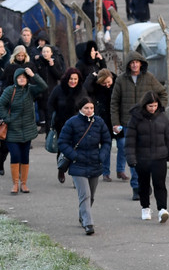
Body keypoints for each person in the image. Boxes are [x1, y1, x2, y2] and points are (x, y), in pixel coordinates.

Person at [110, 50, 167, 200]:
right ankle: (137, 186)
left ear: (141, 63)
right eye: (132, 63)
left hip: (147, 122)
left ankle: (144, 183)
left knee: (144, 155)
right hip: (128, 123)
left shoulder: (149, 78)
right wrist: (115, 123)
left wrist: (158, 111)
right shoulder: (121, 80)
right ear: (128, 65)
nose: (135, 65)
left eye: (137, 62)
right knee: (132, 154)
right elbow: (114, 102)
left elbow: (163, 93)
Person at [58, 97, 112, 235]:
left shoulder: (99, 122)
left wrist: (102, 155)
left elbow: (107, 141)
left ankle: (83, 216)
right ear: (80, 108)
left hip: (95, 163)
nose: (89, 111)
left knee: (91, 196)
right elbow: (62, 142)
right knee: (85, 194)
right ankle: (88, 223)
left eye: (91, 108)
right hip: (78, 165)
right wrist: (74, 156)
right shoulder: (72, 122)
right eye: (86, 108)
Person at [0, 67, 47, 194]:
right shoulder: (10, 90)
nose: (22, 79)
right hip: (12, 130)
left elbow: (43, 86)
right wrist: (8, 118)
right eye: (20, 77)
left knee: (25, 156)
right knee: (15, 155)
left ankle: (24, 184)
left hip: (28, 129)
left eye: (24, 77)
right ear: (15, 79)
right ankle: (15, 184)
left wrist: (33, 74)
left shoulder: (30, 90)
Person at [126, 91, 169, 223]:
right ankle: (145, 207)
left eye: (155, 105)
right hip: (142, 158)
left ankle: (162, 209)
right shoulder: (135, 118)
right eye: (150, 106)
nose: (153, 109)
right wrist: (131, 158)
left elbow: (167, 137)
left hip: (160, 156)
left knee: (160, 184)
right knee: (144, 184)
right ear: (144, 105)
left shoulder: (162, 117)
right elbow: (130, 140)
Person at [49, 68, 87, 182]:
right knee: (63, 149)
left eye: (75, 79)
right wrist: (52, 119)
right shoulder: (59, 89)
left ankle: (77, 176)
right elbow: (50, 104)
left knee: (77, 150)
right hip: (62, 124)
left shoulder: (82, 90)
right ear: (67, 78)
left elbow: (87, 105)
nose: (73, 81)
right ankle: (61, 169)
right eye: (71, 79)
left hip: (78, 124)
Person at [87, 68, 124, 183]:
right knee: (106, 146)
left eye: (108, 82)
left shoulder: (117, 85)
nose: (107, 85)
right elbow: (86, 88)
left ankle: (120, 170)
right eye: (104, 83)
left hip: (118, 119)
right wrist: (91, 76)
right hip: (104, 120)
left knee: (122, 144)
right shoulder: (96, 88)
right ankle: (105, 172)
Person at [35, 44, 65, 133]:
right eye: (44, 52)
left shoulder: (55, 62)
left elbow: (60, 76)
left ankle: (50, 135)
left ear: (51, 53)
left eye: (47, 52)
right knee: (44, 115)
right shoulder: (39, 62)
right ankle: (47, 134)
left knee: (50, 115)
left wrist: (52, 66)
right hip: (41, 92)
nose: (45, 54)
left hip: (52, 92)